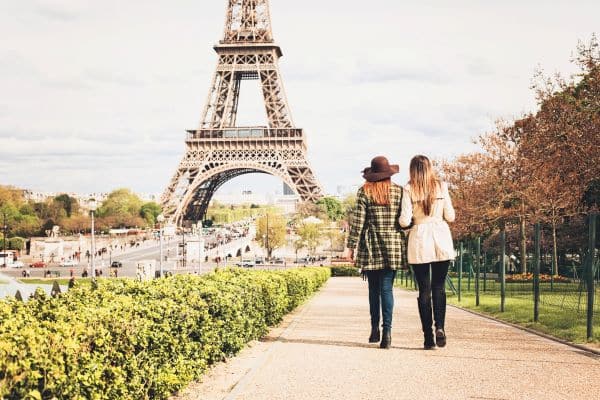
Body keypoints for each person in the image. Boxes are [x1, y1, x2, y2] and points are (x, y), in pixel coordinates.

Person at [346, 156, 406, 349]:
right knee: (387, 289)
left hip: (371, 245)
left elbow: (358, 222)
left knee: (373, 290)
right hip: (393, 244)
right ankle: (387, 331)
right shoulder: (399, 192)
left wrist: (351, 246)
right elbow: (405, 219)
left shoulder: (364, 192)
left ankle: (374, 329)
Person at [399, 155, 455, 349]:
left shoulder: (408, 188)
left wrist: (414, 220)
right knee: (439, 287)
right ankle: (440, 326)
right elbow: (451, 215)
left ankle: (428, 338)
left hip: (419, 238)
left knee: (424, 290)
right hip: (440, 236)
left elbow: (404, 221)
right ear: (430, 167)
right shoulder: (442, 186)